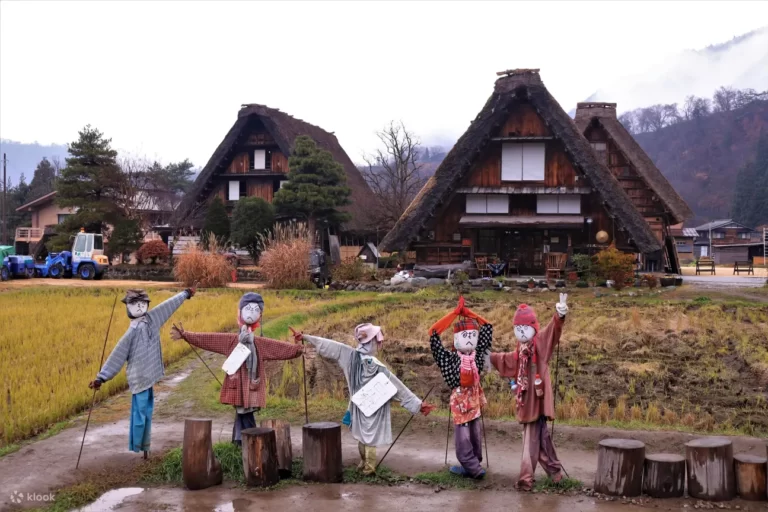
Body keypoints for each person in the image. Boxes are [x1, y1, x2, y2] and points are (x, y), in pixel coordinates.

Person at [292, 323, 435, 475]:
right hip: (373, 406)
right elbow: (397, 387)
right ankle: (369, 467)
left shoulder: (349, 355)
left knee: (361, 434)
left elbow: (329, 345)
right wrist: (418, 404)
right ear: (373, 342)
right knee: (370, 436)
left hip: (358, 405)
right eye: (377, 342)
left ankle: (364, 462)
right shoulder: (377, 366)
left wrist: (305, 337)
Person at [170, 292, 303, 446]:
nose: (251, 313)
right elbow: (209, 339)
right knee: (243, 412)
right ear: (240, 312)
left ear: (260, 315)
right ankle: (247, 443)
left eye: (255, 310)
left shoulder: (259, 343)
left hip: (252, 385)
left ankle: (245, 442)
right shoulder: (231, 341)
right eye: (247, 309)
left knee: (244, 413)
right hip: (236, 384)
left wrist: (298, 349)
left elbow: (279, 348)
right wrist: (186, 335)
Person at [89, 286, 196, 458]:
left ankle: (144, 445)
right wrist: (101, 378)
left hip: (150, 374)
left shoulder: (152, 319)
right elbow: (117, 356)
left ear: (146, 305)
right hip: (139, 377)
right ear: (128, 308)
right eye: (135, 304)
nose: (139, 307)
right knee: (140, 414)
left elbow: (168, 305)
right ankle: (139, 445)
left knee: (147, 411)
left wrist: (185, 294)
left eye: (142, 303)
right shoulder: (130, 333)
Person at [488, 294, 569, 491]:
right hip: (527, 399)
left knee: (531, 439)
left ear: (533, 327)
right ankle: (554, 471)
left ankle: (526, 478)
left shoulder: (540, 343)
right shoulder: (520, 351)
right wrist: (489, 358)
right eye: (518, 328)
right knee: (540, 436)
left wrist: (559, 316)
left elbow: (552, 332)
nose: (521, 331)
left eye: (525, 327)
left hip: (538, 398)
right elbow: (508, 360)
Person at [428, 297, 492, 479]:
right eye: (466, 336)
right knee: (472, 431)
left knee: (466, 433)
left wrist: (459, 313)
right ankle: (474, 464)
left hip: (464, 400)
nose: (470, 339)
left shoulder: (455, 359)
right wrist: (461, 313)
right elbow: (487, 326)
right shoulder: (474, 356)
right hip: (470, 399)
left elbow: (433, 333)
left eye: (473, 335)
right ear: (457, 340)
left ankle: (472, 468)